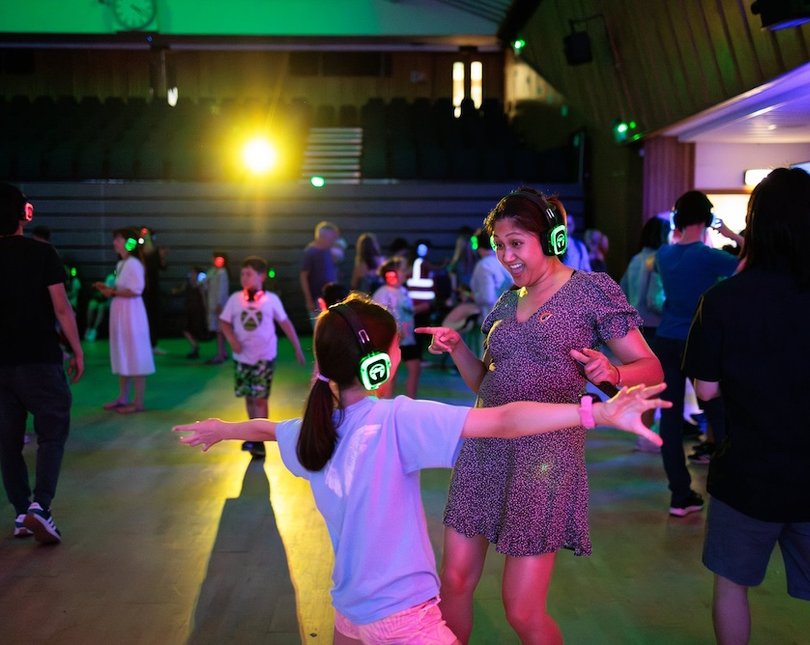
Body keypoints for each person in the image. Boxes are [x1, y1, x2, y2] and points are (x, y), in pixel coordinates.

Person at [174, 295, 668, 644]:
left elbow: (269, 428)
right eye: (394, 350)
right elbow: (504, 420)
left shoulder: (312, 431)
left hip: (349, 612)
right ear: (379, 367)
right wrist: (596, 413)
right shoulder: (397, 419)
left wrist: (225, 428)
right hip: (403, 618)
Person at [416, 187, 663, 643]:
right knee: (452, 582)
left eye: (515, 243)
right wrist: (457, 351)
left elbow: (650, 368)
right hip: (482, 448)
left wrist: (610, 370)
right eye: (498, 245)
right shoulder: (508, 300)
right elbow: (487, 385)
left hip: (543, 461)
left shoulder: (591, 291)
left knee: (522, 611)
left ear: (549, 238)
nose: (505, 256)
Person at [683, 168, 810, 644]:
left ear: (754, 224)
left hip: (748, 472)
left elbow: (708, 391)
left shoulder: (723, 300)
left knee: (733, 584)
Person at [0, 181, 84, 544]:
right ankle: (41, 507)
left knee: (7, 442)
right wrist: (77, 350)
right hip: (39, 360)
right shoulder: (42, 253)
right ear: (25, 213)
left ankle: (20, 512)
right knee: (52, 434)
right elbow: (61, 307)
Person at [652, 190, 743, 516]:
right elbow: (748, 264)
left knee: (671, 421)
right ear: (706, 219)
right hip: (698, 339)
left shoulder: (664, 254)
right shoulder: (707, 256)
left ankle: (680, 495)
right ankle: (729, 487)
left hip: (666, 340)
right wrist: (732, 235)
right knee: (717, 412)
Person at [219, 256, 306, 458]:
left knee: (260, 399)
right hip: (242, 358)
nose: (244, 278)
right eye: (242, 274)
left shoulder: (271, 300)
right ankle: (253, 435)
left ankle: (260, 441)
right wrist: (232, 340)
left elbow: (285, 323)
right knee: (249, 398)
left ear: (262, 276)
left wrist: (297, 347)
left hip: (264, 357)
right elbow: (224, 322)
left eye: (249, 274)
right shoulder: (235, 300)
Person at [94, 227, 155, 414]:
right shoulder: (122, 264)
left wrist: (111, 291)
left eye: (118, 239)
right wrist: (108, 289)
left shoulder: (134, 263)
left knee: (135, 352)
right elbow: (124, 288)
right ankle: (123, 397)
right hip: (122, 311)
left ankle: (138, 402)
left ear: (128, 243)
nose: (114, 243)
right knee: (123, 351)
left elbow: (136, 290)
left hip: (132, 313)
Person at [372, 256, 424, 399]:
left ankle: (411, 402)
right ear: (391, 273)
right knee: (390, 373)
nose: (406, 272)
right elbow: (381, 316)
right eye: (402, 269)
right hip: (392, 339)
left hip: (407, 339)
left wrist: (420, 308)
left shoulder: (403, 290)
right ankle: (385, 403)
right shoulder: (383, 293)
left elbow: (406, 311)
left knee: (415, 368)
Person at [620, 216, 668, 341]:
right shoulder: (658, 260)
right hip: (654, 324)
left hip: (634, 324)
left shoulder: (636, 259)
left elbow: (622, 290)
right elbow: (654, 301)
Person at [299, 221, 340, 323]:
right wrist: (309, 300)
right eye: (331, 238)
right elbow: (303, 276)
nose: (333, 241)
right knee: (319, 328)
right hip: (316, 298)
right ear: (322, 237)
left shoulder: (329, 250)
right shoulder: (310, 252)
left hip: (331, 297)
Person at [139, 226, 168, 355]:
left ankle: (153, 345)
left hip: (153, 291)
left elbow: (163, 267)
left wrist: (162, 256)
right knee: (141, 319)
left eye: (148, 236)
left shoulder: (155, 253)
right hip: (140, 291)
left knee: (153, 318)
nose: (146, 239)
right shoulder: (137, 252)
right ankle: (142, 345)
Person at [173, 266, 208, 359]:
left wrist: (206, 309)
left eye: (193, 272)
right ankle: (194, 346)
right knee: (185, 328)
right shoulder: (187, 283)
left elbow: (203, 296)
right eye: (191, 272)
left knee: (193, 329)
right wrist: (175, 291)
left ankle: (195, 347)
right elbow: (179, 290)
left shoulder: (200, 284)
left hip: (197, 309)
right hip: (189, 309)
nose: (191, 274)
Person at [205, 251, 231, 364]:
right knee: (218, 331)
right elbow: (206, 286)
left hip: (220, 307)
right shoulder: (212, 272)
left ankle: (221, 354)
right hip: (213, 305)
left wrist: (220, 304)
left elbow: (223, 289)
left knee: (220, 331)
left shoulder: (222, 272)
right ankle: (223, 352)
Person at [84, 271, 115, 341]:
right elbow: (104, 291)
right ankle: (89, 328)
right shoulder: (111, 277)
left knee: (101, 307)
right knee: (91, 304)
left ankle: (94, 330)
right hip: (104, 300)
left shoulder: (121, 279)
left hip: (114, 302)